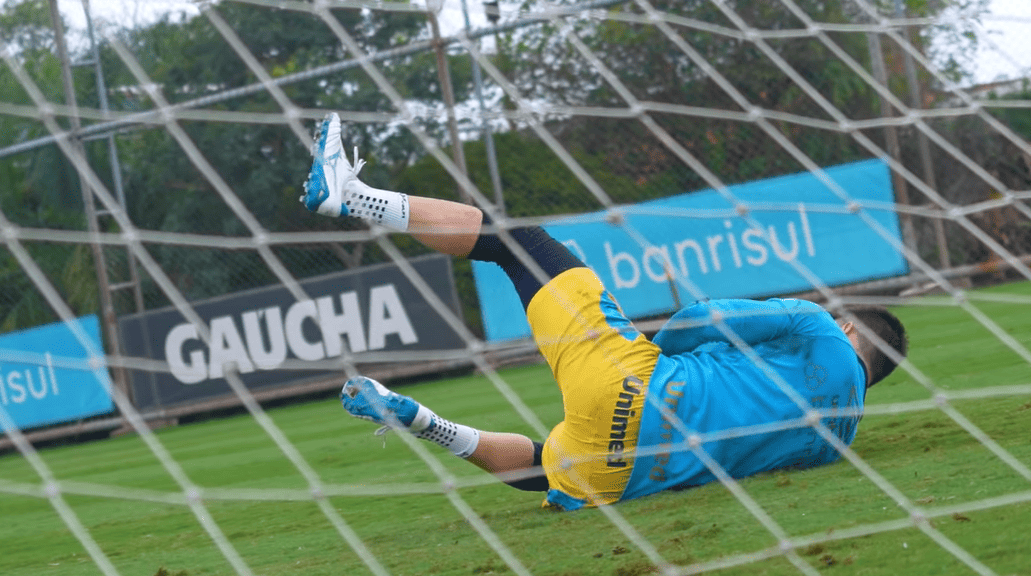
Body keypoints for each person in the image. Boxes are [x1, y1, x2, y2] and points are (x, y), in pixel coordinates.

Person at [302, 112, 907, 510]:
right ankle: (420, 422)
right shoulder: (839, 439)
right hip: (627, 475)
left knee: (519, 245)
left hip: (632, 384)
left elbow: (697, 321)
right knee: (546, 466)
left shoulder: (818, 325)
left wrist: (649, 356)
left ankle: (352, 196)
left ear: (849, 326)